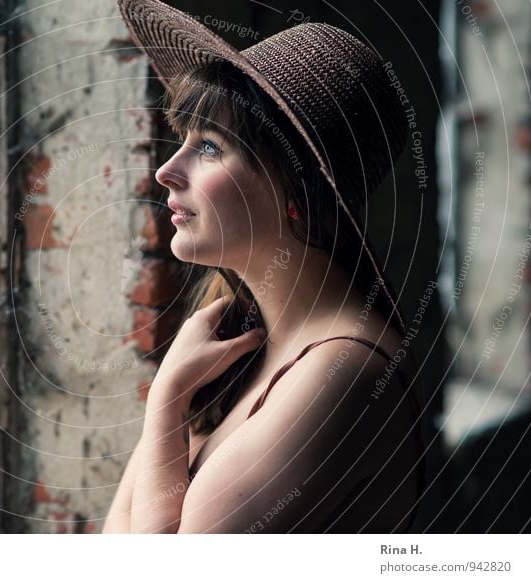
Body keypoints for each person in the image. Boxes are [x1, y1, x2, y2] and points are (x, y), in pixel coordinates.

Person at [103, 0, 428, 533]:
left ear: (294, 189)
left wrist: (166, 403)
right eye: (182, 140)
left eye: (208, 146)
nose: (166, 171)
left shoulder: (339, 374)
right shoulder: (239, 337)